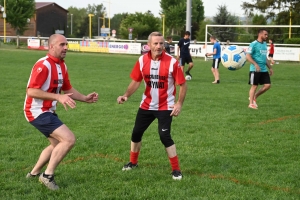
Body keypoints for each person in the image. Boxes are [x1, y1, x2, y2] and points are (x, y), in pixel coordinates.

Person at [24, 34, 99, 190]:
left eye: (66, 44)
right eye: (62, 44)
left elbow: (67, 88)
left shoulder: (62, 65)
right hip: (36, 110)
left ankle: (34, 173)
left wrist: (85, 98)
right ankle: (47, 176)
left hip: (47, 111)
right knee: (69, 139)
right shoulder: (43, 65)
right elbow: (31, 91)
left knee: (57, 143)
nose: (66, 47)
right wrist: (58, 97)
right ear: (51, 46)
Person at [117, 32, 187, 180]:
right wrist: (126, 95)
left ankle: (176, 169)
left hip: (166, 107)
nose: (159, 46)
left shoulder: (172, 62)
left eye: (161, 43)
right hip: (147, 105)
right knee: (136, 133)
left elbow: (182, 84)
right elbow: (136, 81)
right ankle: (133, 162)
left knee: (164, 136)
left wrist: (179, 103)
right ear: (148, 45)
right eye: (155, 43)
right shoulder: (142, 60)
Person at [246, 29, 273, 109]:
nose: (267, 36)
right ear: (260, 34)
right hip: (255, 69)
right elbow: (248, 56)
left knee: (267, 85)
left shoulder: (264, 44)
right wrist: (255, 64)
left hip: (264, 69)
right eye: (265, 34)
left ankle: (255, 96)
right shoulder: (253, 44)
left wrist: (270, 68)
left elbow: (265, 58)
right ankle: (251, 104)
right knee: (254, 86)